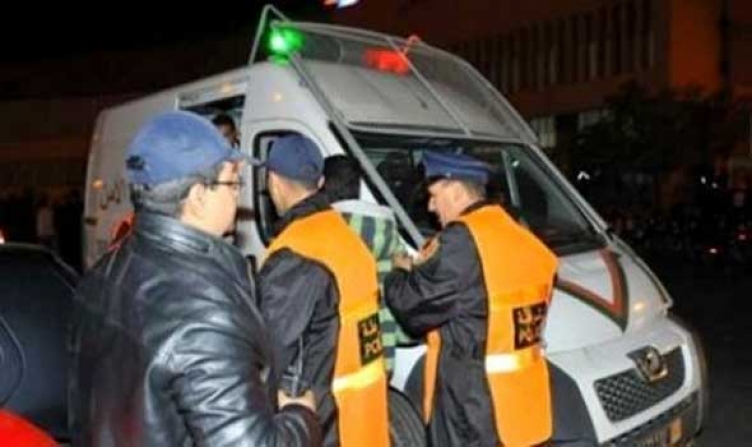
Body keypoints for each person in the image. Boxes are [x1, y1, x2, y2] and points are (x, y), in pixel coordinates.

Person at [69, 111, 321, 447]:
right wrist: (302, 418)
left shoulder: (99, 277)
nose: (238, 196)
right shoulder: (204, 313)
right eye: (233, 183)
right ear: (199, 196)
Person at [384, 151, 559, 447]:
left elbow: (412, 308)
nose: (431, 206)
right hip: (524, 400)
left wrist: (399, 273)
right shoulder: (522, 237)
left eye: (434, 195)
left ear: (455, 191)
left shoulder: (463, 240)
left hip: (473, 406)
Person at [258, 135, 389, 447]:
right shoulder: (347, 237)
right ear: (319, 182)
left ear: (272, 181)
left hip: (326, 425)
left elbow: (272, 356)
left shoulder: (295, 253)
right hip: (365, 419)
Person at [321, 154, 408, 374]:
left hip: (339, 359)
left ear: (322, 185)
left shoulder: (325, 233)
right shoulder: (390, 235)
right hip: (379, 357)